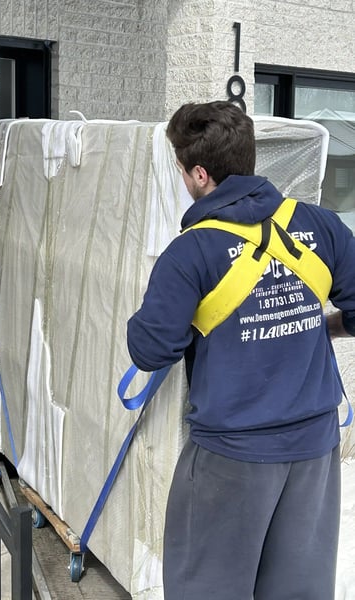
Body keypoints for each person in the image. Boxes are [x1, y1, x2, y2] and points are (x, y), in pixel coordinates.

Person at [126, 101, 355, 600]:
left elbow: (151, 349)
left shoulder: (190, 252)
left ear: (200, 174)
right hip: (315, 450)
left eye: (183, 171)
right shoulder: (320, 226)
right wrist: (324, 326)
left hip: (232, 457)